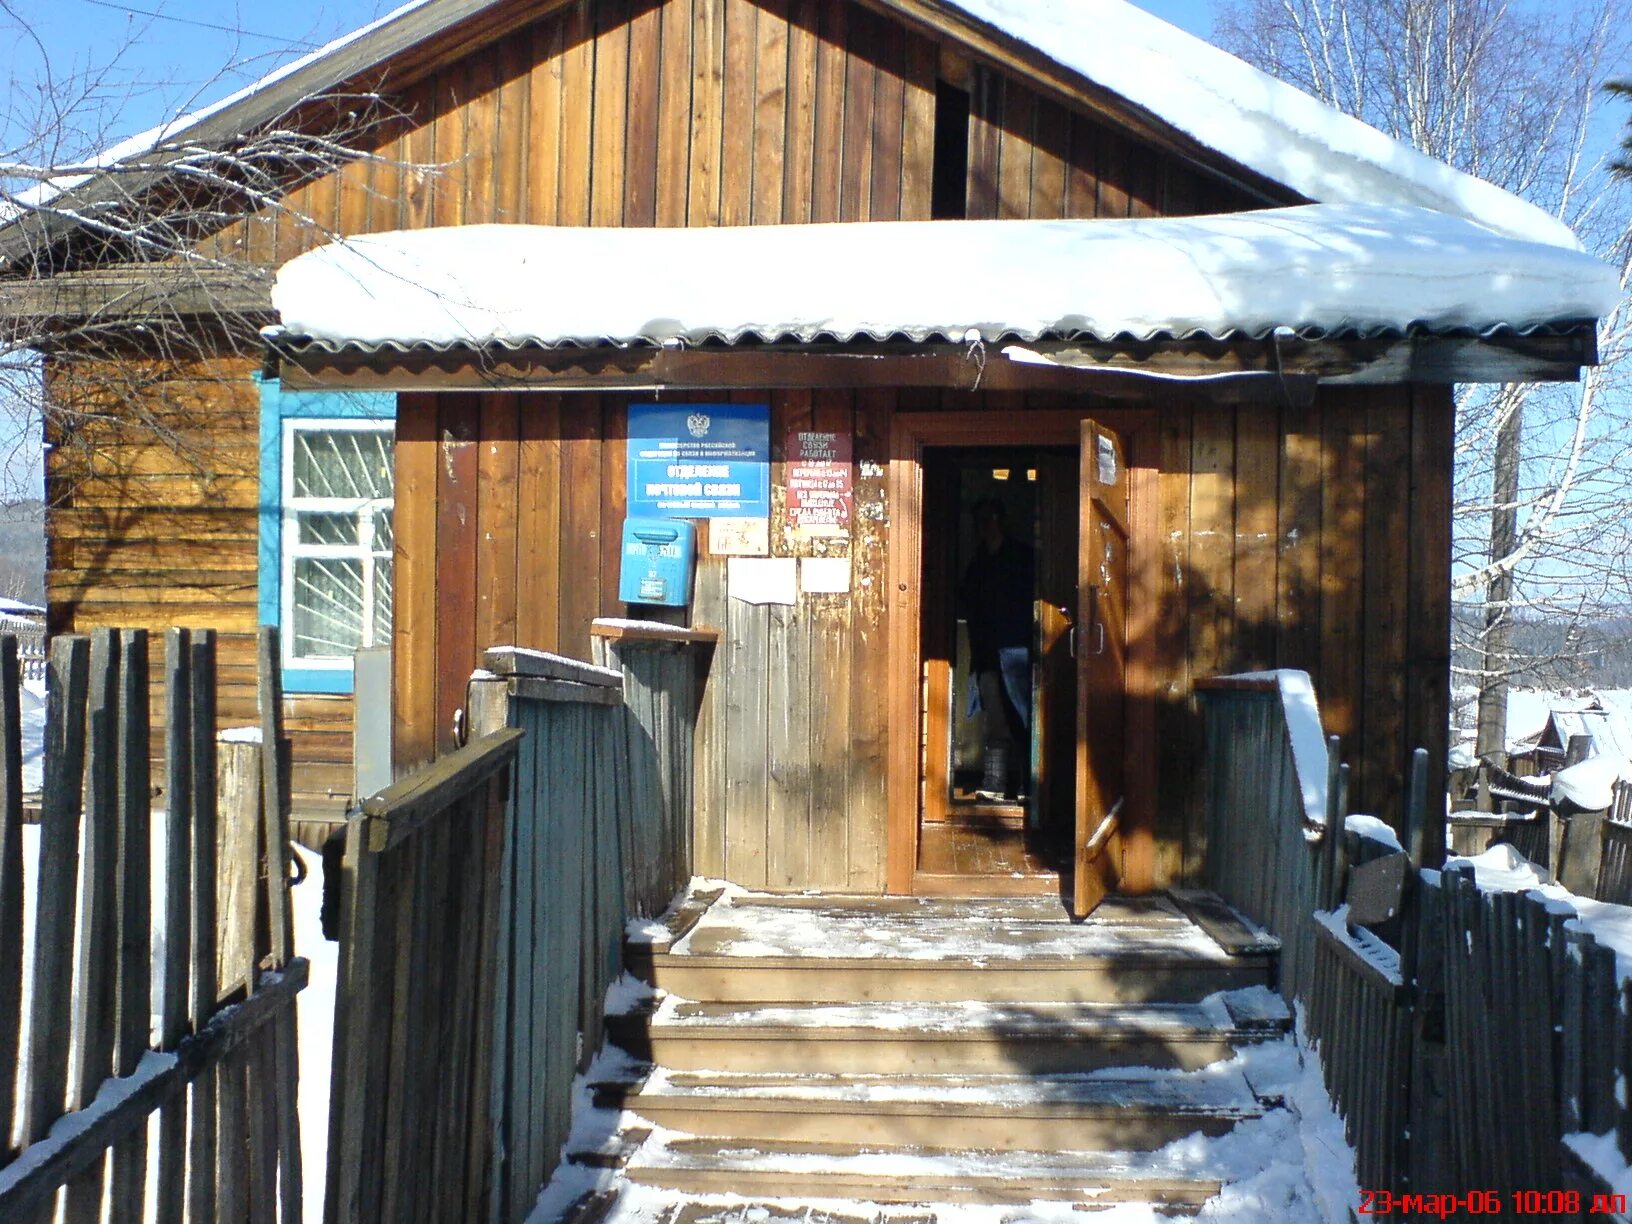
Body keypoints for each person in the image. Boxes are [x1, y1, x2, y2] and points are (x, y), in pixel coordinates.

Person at [957, 496, 1034, 799]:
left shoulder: (1021, 557)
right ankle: (995, 783)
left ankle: (1031, 787)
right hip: (988, 652)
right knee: (995, 719)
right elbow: (968, 597)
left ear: (1000, 520)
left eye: (988, 520)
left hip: (1016, 652)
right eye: (979, 522)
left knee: (1024, 718)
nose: (983, 527)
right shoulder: (979, 560)